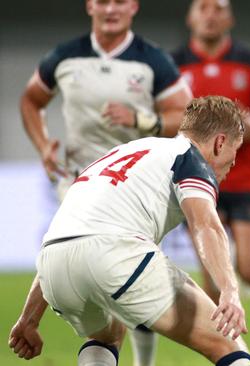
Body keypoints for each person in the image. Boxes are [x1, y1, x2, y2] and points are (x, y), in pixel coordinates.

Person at [8, 96, 250, 366]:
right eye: (235, 150)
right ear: (220, 143)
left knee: (107, 334)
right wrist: (229, 290)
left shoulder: (122, 152)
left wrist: (29, 320)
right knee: (226, 343)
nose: (232, 163)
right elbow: (205, 224)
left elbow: (68, 231)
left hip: (52, 266)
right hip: (114, 253)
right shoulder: (190, 158)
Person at [19, 1, 192, 364]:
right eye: (103, 0)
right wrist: (43, 144)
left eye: (119, 1)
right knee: (102, 283)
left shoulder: (152, 61)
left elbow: (186, 116)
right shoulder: (65, 57)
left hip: (134, 186)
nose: (110, 8)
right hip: (78, 179)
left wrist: (142, 120)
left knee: (133, 285)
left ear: (134, 7)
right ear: (89, 6)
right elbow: (32, 100)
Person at [172, 0, 250, 301]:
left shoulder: (248, 61)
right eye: (202, 8)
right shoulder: (174, 64)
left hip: (244, 178)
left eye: (218, 9)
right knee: (215, 276)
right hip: (196, 178)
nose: (210, 15)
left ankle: (232, 248)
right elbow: (163, 116)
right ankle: (226, 342)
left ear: (230, 18)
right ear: (190, 17)